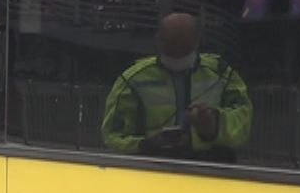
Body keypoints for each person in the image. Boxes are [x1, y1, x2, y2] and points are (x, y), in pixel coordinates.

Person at [101, 12, 253, 161]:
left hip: (213, 165)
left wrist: (212, 125)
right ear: (158, 40)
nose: (178, 55)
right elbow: (112, 136)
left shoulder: (222, 74)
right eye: (171, 46)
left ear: (197, 41)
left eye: (184, 48)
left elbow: (242, 124)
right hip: (152, 166)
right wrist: (146, 144)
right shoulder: (133, 79)